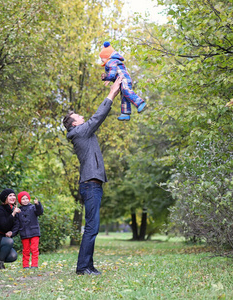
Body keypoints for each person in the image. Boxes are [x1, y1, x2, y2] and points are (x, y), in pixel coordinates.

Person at [62, 76, 123, 275]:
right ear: (74, 124)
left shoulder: (82, 133)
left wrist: (114, 85)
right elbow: (98, 116)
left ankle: (88, 265)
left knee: (92, 227)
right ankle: (82, 267)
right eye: (79, 117)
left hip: (92, 184)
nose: (83, 118)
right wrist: (112, 92)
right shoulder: (80, 132)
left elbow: (95, 119)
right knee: (91, 227)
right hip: (90, 184)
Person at [100, 41, 146, 121]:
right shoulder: (112, 61)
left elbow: (113, 73)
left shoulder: (111, 62)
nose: (101, 60)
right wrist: (108, 78)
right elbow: (114, 74)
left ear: (107, 56)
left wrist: (107, 77)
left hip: (124, 79)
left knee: (126, 91)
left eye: (102, 58)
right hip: (123, 79)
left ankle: (139, 103)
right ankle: (125, 113)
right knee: (124, 96)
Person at [16, 191, 44, 269]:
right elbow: (16, 223)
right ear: (20, 201)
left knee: (34, 249)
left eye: (26, 198)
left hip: (34, 232)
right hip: (24, 233)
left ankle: (34, 265)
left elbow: (40, 212)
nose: (25, 200)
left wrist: (38, 204)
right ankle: (25, 265)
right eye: (23, 199)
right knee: (26, 250)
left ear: (29, 199)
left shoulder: (33, 208)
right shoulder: (19, 210)